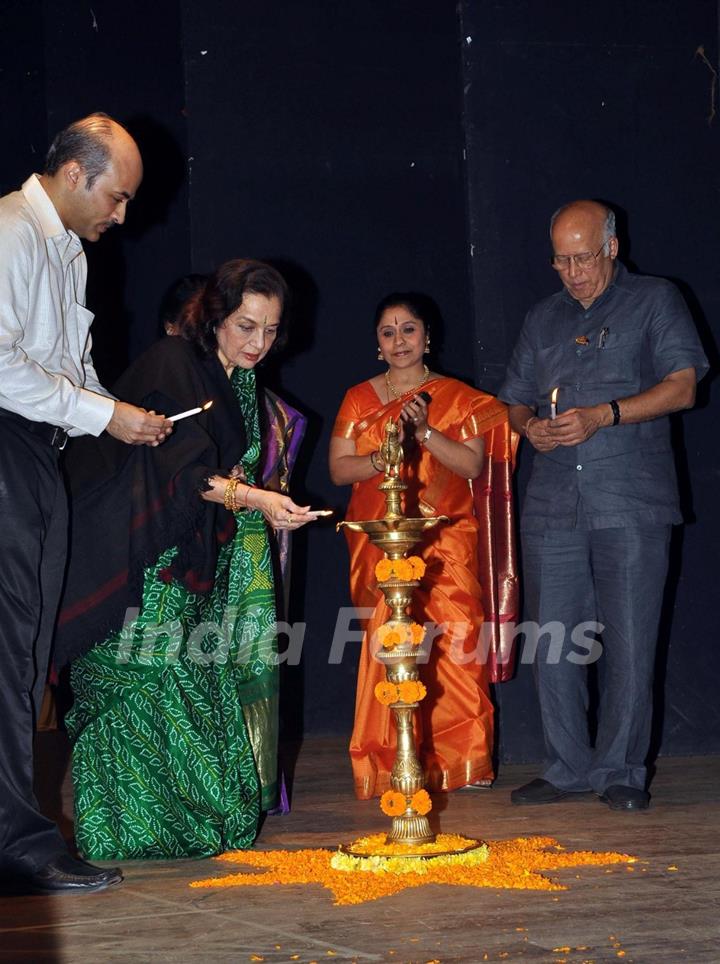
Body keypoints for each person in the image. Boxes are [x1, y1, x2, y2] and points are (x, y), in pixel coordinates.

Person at [55, 258, 320, 860]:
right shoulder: (174, 363)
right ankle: (124, 830)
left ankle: (189, 827)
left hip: (195, 561)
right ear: (215, 317)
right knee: (144, 685)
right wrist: (260, 500)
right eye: (246, 326)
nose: (259, 343)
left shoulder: (242, 385)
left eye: (271, 330)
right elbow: (186, 476)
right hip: (141, 563)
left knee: (194, 684)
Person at [0, 113, 171, 893]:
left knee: (27, 648)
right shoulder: (10, 230)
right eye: (118, 196)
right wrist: (107, 415)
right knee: (10, 651)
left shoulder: (65, 248)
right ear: (75, 174)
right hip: (5, 444)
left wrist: (123, 413)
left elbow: (68, 367)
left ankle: (17, 834)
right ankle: (15, 843)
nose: (122, 215)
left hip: (36, 455)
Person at [499, 200, 708, 811]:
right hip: (553, 502)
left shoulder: (656, 299)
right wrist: (528, 425)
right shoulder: (542, 318)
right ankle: (566, 768)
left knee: (631, 640)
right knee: (556, 643)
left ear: (611, 247)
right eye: (561, 261)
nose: (572, 272)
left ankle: (621, 771)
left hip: (632, 499)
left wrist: (605, 415)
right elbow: (512, 398)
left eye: (583, 258)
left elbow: (684, 386)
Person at [329, 292, 516, 799]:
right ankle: (391, 759)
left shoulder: (459, 397)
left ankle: (467, 760)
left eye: (408, 329)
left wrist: (424, 431)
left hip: (445, 538)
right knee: (392, 644)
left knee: (457, 640)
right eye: (388, 333)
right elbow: (340, 468)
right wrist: (387, 457)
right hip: (381, 543)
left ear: (427, 336)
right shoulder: (359, 399)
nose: (399, 341)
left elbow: (472, 466)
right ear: (377, 345)